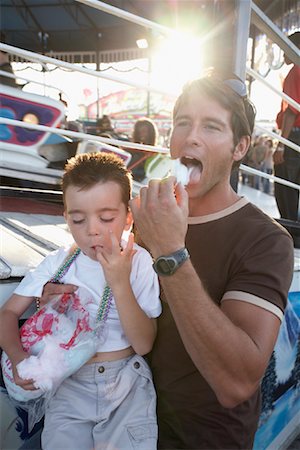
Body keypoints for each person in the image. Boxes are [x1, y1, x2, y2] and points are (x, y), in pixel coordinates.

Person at [130, 73, 294, 449]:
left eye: (212, 126)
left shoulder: (266, 240)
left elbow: (237, 383)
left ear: (240, 147)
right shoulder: (147, 215)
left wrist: (170, 252)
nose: (191, 136)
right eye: (183, 122)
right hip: (123, 425)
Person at [0, 152, 161, 450]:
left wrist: (119, 282)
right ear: (66, 218)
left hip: (125, 384)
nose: (92, 229)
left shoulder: (138, 263)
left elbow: (144, 344)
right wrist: (18, 357)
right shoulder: (58, 263)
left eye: (107, 218)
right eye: (78, 219)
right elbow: (7, 313)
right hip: (69, 385)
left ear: (128, 216)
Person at [273, 31, 300, 222]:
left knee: (285, 181)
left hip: (295, 134)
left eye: (285, 47)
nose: (283, 53)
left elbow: (292, 111)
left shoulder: (295, 71)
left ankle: (291, 228)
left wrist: (281, 144)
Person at [129, 118, 158, 182]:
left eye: (144, 131)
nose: (141, 134)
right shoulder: (133, 149)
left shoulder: (157, 152)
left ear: (150, 133)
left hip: (141, 180)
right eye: (138, 132)